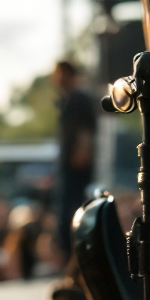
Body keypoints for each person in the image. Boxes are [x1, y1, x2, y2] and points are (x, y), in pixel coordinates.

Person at [53, 60, 96, 259]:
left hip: (76, 166)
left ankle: (75, 260)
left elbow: (86, 131)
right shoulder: (67, 99)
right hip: (67, 165)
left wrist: (82, 154)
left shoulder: (79, 98)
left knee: (72, 212)